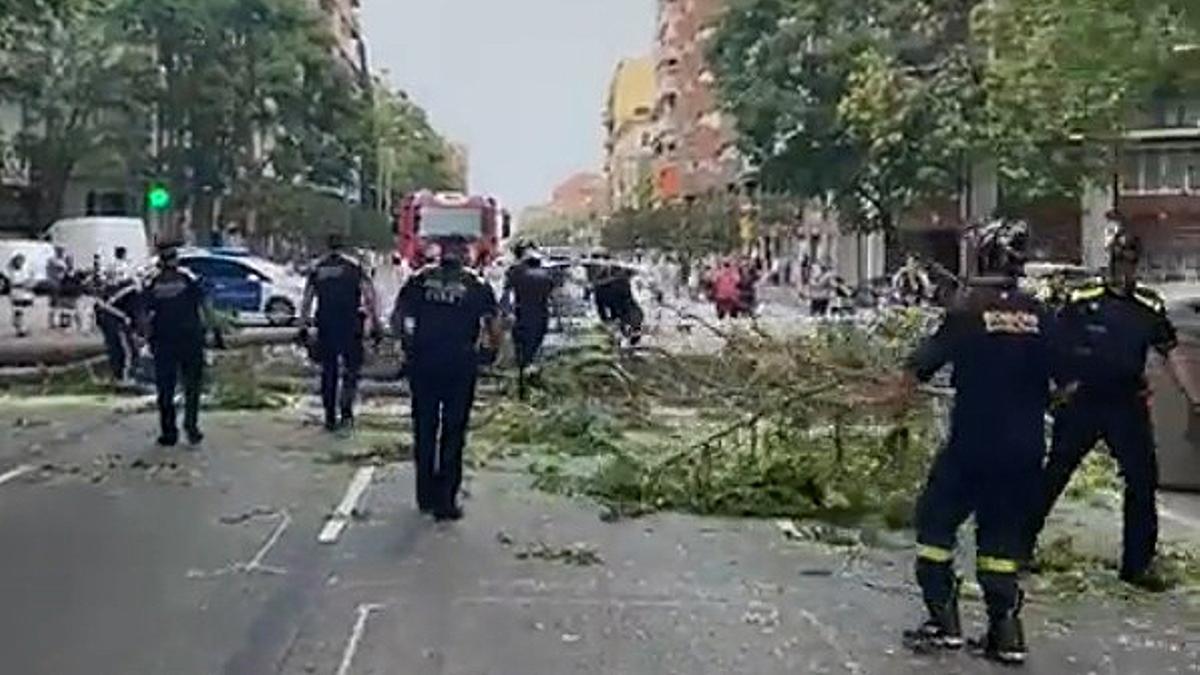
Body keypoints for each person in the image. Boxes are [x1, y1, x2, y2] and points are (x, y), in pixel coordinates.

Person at [885, 220, 1055, 665]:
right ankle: (1006, 633)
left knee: (935, 525)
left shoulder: (968, 311)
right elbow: (1068, 384)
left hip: (973, 445)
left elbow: (918, 367)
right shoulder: (1041, 315)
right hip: (1024, 450)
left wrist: (894, 412)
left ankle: (944, 623)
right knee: (1001, 539)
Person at [1025, 229, 1197, 591]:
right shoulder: (1082, 297)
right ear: (1111, 261)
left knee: (1141, 482)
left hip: (1125, 405)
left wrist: (1194, 397)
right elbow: (1054, 343)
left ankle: (1137, 566)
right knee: (1053, 474)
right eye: (1120, 261)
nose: (1125, 269)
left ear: (1137, 264)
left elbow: (1171, 352)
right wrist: (1056, 385)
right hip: (1082, 402)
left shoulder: (1149, 306)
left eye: (1131, 262)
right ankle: (1018, 547)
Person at [391, 235, 501, 521]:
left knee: (424, 428)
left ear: (440, 253)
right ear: (464, 254)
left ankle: (425, 495)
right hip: (460, 364)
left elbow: (398, 316)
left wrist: (406, 345)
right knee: (454, 431)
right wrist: (490, 352)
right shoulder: (476, 284)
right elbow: (493, 324)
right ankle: (446, 501)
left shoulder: (420, 280)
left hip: (424, 362)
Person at [140, 241, 224, 447]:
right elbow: (206, 306)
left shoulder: (154, 284)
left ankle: (169, 432)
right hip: (191, 339)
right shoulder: (189, 280)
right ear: (175, 260)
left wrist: (146, 337)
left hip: (164, 342)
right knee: (192, 387)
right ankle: (191, 427)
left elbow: (144, 315)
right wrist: (216, 331)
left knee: (165, 389)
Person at [299, 233, 381, 432]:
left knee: (329, 370)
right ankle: (346, 410)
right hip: (351, 323)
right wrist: (376, 323)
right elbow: (369, 296)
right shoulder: (354, 268)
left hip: (326, 324)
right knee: (351, 369)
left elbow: (307, 299)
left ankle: (329, 416)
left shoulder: (318, 269)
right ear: (344, 247)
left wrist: (303, 325)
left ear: (327, 247)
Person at [503, 244, 556, 398]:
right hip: (540, 315)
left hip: (521, 314)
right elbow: (551, 294)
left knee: (522, 351)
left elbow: (507, 296)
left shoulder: (515, 273)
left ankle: (522, 381)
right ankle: (527, 378)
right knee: (533, 349)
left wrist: (506, 313)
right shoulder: (546, 274)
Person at [95, 276, 142, 382]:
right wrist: (123, 316)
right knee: (123, 350)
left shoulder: (136, 294)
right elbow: (105, 305)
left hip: (119, 320)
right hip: (112, 319)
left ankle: (124, 376)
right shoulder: (130, 291)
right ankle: (122, 377)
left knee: (129, 350)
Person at [8, 253, 34, 337]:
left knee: (22, 311)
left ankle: (21, 328)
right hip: (16, 292)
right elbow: (13, 281)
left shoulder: (23, 270)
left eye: (21, 260)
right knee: (18, 310)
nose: (20, 262)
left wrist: (30, 280)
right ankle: (20, 329)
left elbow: (27, 280)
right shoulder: (11, 270)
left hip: (23, 292)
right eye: (18, 260)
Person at [45, 247, 68, 330]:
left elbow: (66, 272)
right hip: (54, 284)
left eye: (62, 251)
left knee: (63, 303)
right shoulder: (52, 260)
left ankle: (62, 321)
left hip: (63, 284)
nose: (61, 252)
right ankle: (51, 322)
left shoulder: (64, 260)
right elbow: (49, 272)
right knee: (53, 303)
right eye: (60, 251)